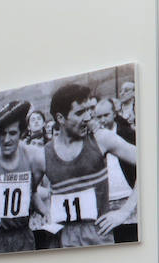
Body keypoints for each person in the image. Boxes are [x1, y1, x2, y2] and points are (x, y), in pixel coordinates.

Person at [38, 82, 138, 248]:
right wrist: (45, 209)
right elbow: (30, 189)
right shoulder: (44, 153)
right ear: (60, 118)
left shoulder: (101, 139)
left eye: (87, 111)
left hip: (99, 242)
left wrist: (125, 211)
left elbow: (149, 162)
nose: (87, 118)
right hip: (62, 245)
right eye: (79, 113)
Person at [0, 99, 45, 255]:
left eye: (12, 133)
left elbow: (32, 193)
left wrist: (48, 214)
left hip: (23, 237)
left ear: (21, 133)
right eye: (2, 134)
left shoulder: (35, 158)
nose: (6, 140)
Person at [90, 95, 138, 243]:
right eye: (99, 117)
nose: (102, 120)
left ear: (114, 114)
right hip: (106, 203)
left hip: (128, 197)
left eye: (106, 115)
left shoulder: (128, 134)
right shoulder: (93, 138)